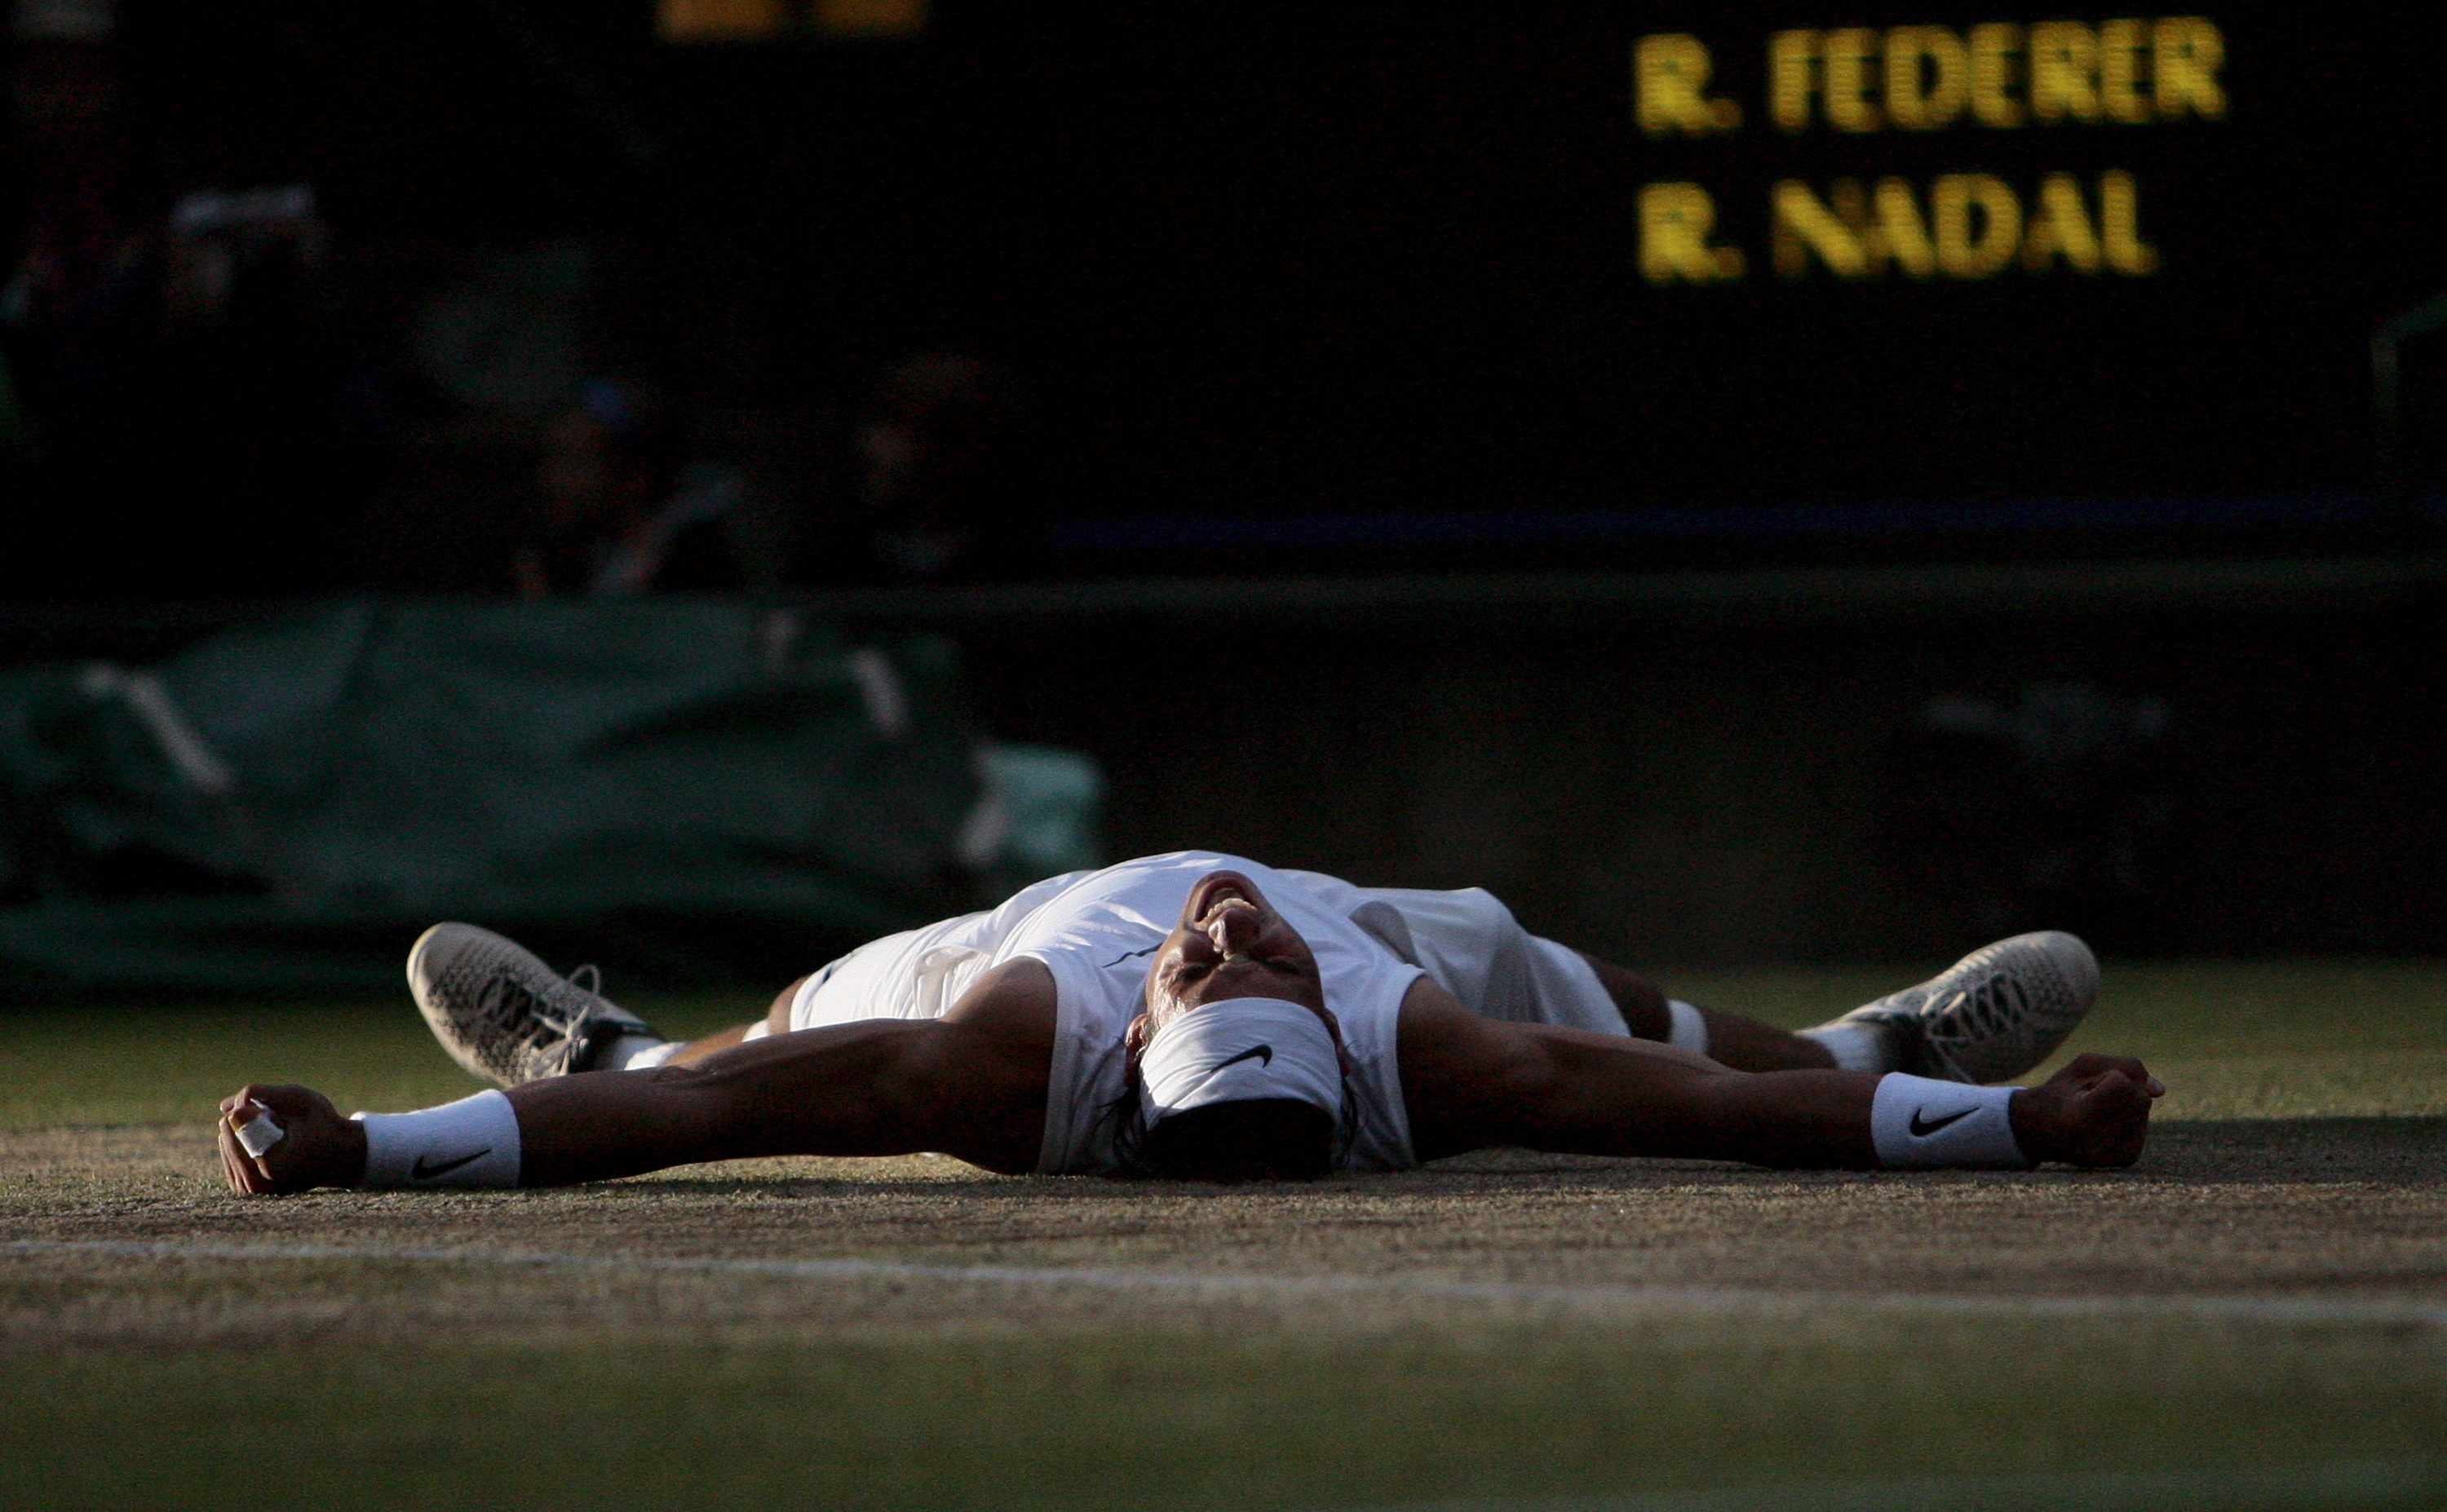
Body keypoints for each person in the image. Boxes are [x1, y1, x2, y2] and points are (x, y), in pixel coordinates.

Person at [217, 851, 2163, 1195]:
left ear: (1143, 1025)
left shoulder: (1015, 1049)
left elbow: (707, 1139)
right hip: (1394, 973)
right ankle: (1869, 1049)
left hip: (1014, 950)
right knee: (1583, 1000)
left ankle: (602, 1039)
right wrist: (2020, 1130)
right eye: (1256, 964)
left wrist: (372, 1150)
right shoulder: (1415, 1040)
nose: (1231, 929)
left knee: (727, 1069)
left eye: (1218, 965)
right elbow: (1688, 1116)